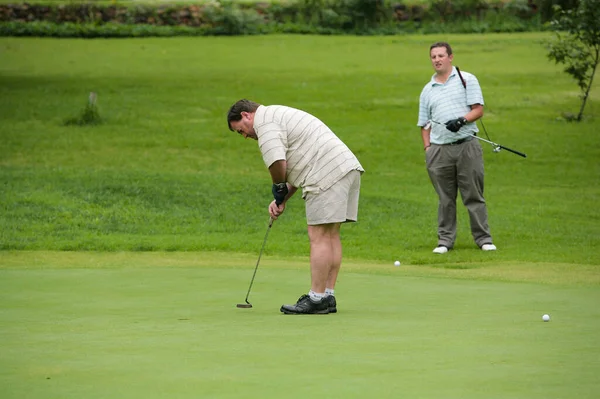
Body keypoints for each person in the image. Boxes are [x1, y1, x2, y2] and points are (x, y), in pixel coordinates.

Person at [227, 99, 364, 314]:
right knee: (330, 235)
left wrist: (278, 187)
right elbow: (295, 165)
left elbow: (277, 163)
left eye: (241, 131)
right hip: (344, 167)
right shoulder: (276, 115)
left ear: (246, 115)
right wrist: (282, 198)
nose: (245, 136)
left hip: (326, 172)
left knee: (318, 235)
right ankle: (327, 296)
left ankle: (316, 298)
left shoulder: (264, 124)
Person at [417, 42, 497, 254]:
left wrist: (461, 120)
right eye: (433, 56)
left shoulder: (466, 79)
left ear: (450, 57)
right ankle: (445, 241)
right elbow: (424, 124)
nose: (437, 60)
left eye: (441, 55)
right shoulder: (427, 90)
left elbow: (478, 110)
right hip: (439, 150)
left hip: (466, 146)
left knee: (473, 195)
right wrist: (428, 148)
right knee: (445, 199)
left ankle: (483, 239)